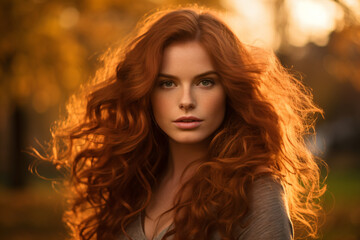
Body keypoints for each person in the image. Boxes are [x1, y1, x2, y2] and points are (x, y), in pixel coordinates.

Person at [36, 6, 326, 240]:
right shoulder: (131, 181)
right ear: (145, 91)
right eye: (167, 84)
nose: (186, 100)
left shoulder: (255, 190)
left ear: (230, 91)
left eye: (205, 82)